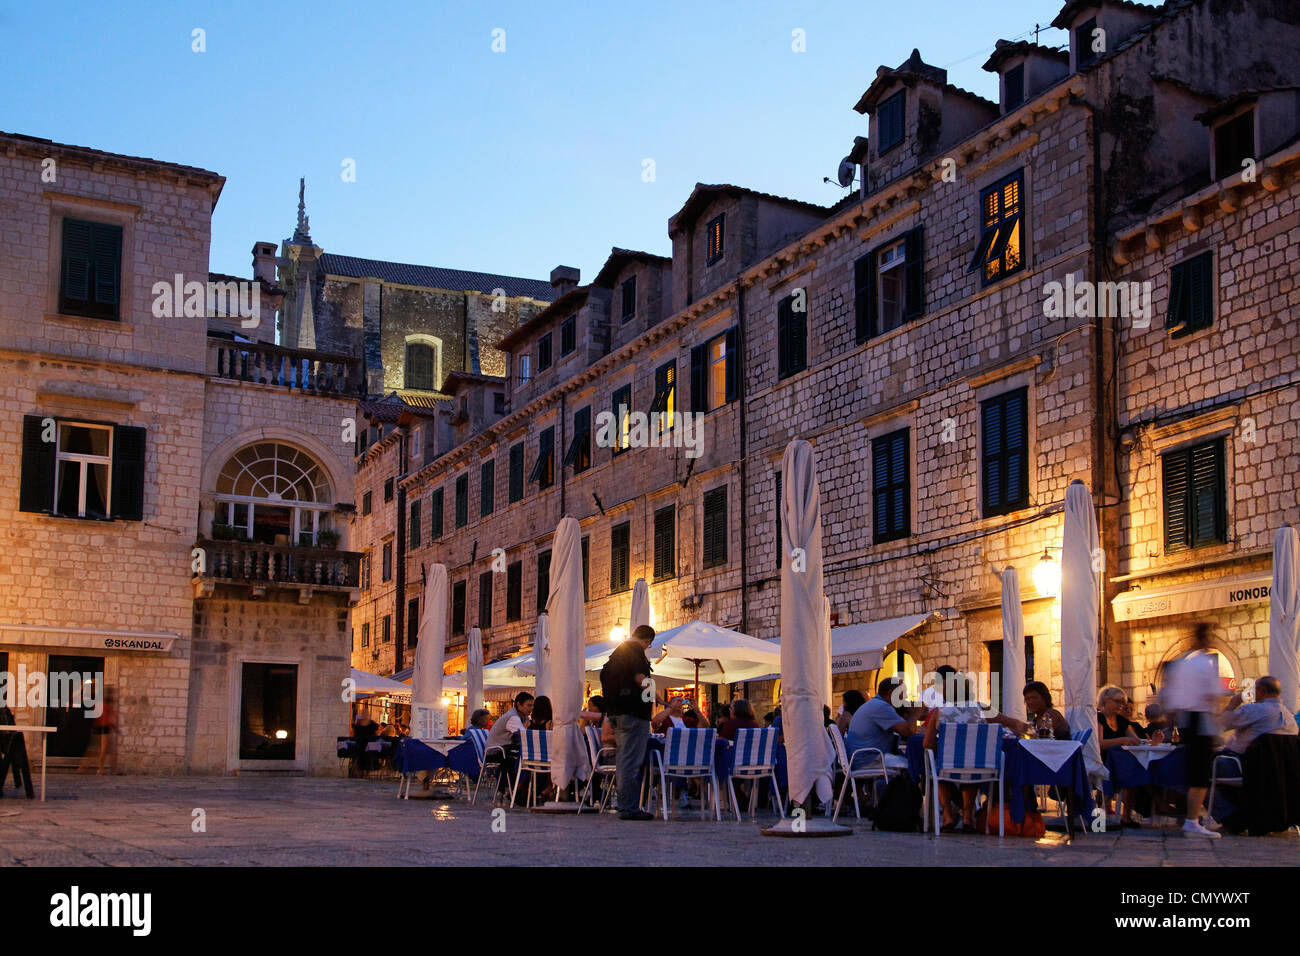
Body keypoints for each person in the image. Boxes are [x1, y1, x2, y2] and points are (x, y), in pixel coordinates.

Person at [1163, 622, 1230, 838]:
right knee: (1200, 775)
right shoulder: (1203, 663)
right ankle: (1192, 821)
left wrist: (1171, 723)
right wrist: (1218, 723)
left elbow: (1170, 698)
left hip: (1185, 721)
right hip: (1201, 720)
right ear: (1206, 638)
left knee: (1192, 772)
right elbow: (1212, 696)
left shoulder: (1182, 663)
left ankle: (1190, 819)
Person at [602, 624, 657, 820]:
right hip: (633, 713)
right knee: (631, 761)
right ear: (647, 641)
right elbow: (640, 679)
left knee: (624, 759)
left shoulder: (617, 654)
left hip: (617, 712)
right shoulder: (634, 652)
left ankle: (626, 805)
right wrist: (656, 695)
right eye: (648, 645)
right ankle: (629, 807)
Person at [1097, 686, 1143, 827]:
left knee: (1135, 772)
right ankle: (1119, 816)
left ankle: (1127, 815)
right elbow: (1100, 743)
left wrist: (1153, 741)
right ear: (1106, 700)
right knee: (1131, 772)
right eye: (1117, 701)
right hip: (1103, 759)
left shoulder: (1122, 721)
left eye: (1122, 702)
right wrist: (1122, 740)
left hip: (1120, 761)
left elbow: (1135, 741)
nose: (1120, 705)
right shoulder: (1099, 718)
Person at [848, 678, 916, 772]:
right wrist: (916, 713)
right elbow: (908, 731)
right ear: (891, 693)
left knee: (909, 761)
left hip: (861, 758)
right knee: (914, 763)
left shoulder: (876, 704)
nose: (905, 697)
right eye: (902, 692)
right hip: (869, 760)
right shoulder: (881, 707)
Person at [1220, 676, 1299, 755]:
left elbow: (1219, 724)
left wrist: (1233, 704)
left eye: (1253, 689)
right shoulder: (1290, 719)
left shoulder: (1252, 710)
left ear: (1260, 691)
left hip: (1247, 763)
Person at [485, 691, 534, 793]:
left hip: (504, 751)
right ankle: (519, 789)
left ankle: (521, 789)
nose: (531, 708)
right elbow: (524, 737)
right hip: (495, 753)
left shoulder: (524, 717)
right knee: (525, 760)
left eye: (532, 706)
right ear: (519, 705)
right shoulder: (513, 717)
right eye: (528, 705)